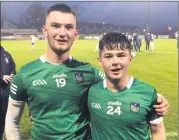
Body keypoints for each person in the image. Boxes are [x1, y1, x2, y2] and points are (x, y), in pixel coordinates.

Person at [5, 4, 169, 140]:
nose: (62, 33)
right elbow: (12, 121)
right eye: (55, 26)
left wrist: (156, 98)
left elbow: (118, 82)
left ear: (75, 34)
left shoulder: (89, 72)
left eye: (68, 27)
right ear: (45, 30)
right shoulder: (25, 74)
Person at [88, 32, 166, 140]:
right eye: (108, 56)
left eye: (121, 55)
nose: (115, 62)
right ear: (100, 61)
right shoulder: (91, 92)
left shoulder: (148, 93)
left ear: (130, 59)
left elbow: (157, 130)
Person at [0, 45, 16, 140]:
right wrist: (1, 77)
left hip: (5, 90)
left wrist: (12, 73)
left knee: (3, 114)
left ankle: (1, 134)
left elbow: (12, 65)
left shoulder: (6, 54)